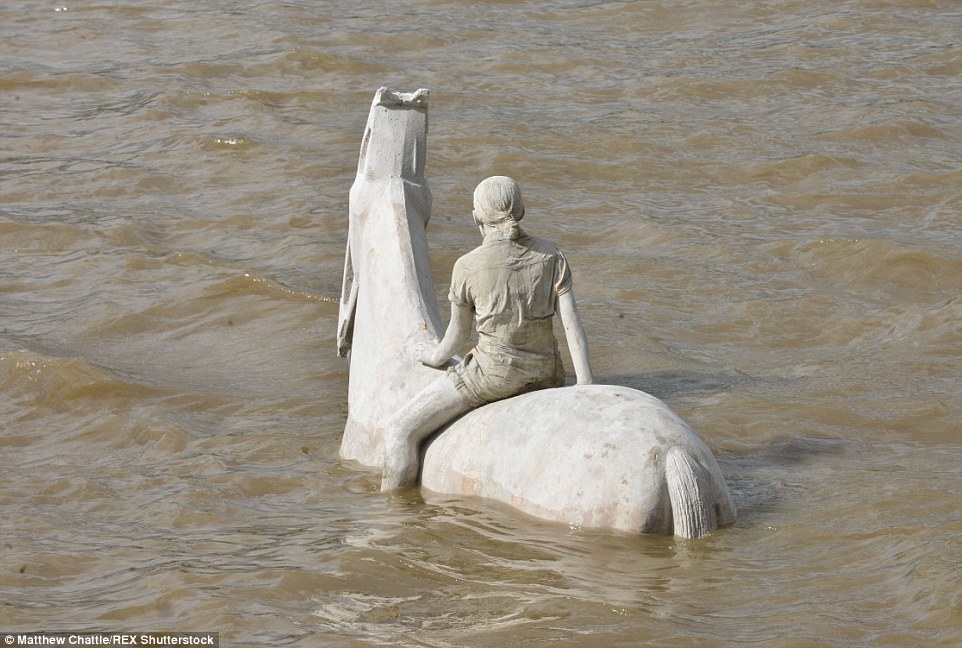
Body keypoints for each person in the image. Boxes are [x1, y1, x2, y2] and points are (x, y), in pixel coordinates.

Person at [380, 176, 593, 491]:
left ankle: (395, 518)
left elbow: (456, 338)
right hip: (548, 373)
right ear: (520, 211)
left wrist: (432, 355)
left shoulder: (467, 266)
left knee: (399, 431)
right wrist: (586, 384)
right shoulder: (551, 255)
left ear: (477, 217)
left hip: (492, 378)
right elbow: (572, 323)